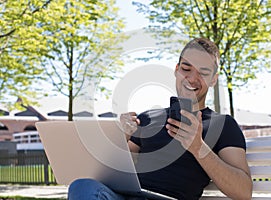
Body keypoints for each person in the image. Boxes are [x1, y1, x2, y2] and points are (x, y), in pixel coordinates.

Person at [68, 38, 253, 200]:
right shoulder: (148, 118)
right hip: (128, 195)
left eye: (203, 73)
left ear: (213, 79)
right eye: (186, 69)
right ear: (176, 70)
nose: (192, 78)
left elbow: (243, 191)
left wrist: (198, 148)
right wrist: (121, 137)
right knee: (82, 186)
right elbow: (106, 173)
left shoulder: (222, 125)